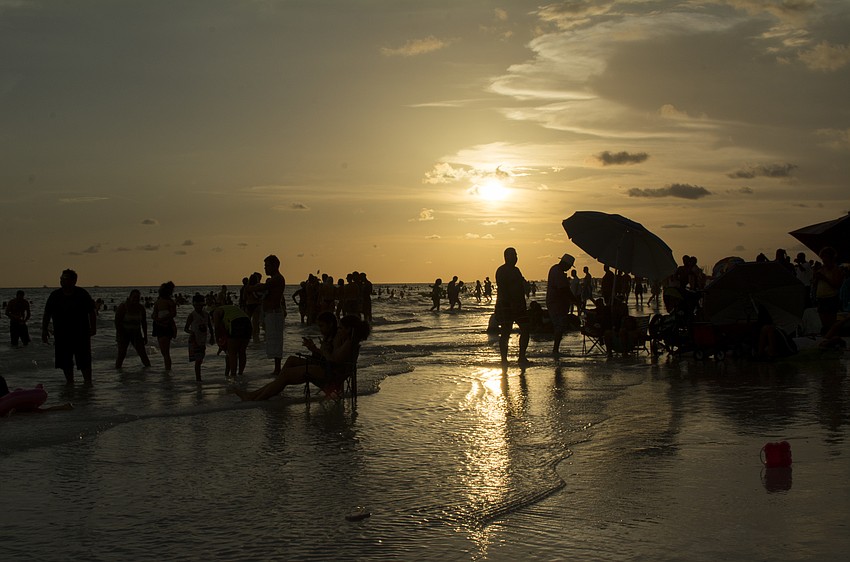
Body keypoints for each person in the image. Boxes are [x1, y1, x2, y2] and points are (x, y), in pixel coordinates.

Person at [232, 315, 370, 401]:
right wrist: (316, 349)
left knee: (285, 374)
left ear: (349, 329)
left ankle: (256, 398)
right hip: (328, 369)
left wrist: (321, 350)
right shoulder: (347, 340)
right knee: (291, 360)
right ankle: (261, 393)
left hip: (331, 375)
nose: (339, 331)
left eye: (341, 328)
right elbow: (331, 358)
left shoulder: (348, 343)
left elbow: (333, 360)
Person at [41, 269, 97, 384]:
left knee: (84, 360)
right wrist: (44, 329)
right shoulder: (55, 295)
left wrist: (93, 328)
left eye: (65, 279)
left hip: (81, 333)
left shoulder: (82, 294)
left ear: (74, 281)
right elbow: (47, 313)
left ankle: (88, 382)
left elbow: (91, 311)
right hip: (62, 334)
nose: (62, 281)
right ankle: (70, 382)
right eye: (61, 279)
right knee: (65, 361)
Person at [249, 255, 286, 375]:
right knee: (272, 340)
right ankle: (276, 368)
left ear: (274, 266)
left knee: (276, 340)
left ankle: (277, 369)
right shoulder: (273, 279)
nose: (265, 268)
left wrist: (251, 287)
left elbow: (263, 287)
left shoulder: (278, 279)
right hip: (271, 313)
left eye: (267, 266)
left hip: (275, 313)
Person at [495, 247, 530, 369]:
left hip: (519, 304)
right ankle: (504, 359)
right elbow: (503, 288)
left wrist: (526, 287)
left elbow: (521, 284)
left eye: (516, 255)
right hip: (506, 304)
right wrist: (511, 303)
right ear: (506, 257)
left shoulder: (516, 270)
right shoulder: (502, 270)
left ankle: (522, 357)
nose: (515, 257)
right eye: (513, 255)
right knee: (506, 331)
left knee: (526, 328)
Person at [547, 253, 581, 356]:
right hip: (556, 303)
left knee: (559, 326)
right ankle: (555, 349)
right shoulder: (558, 272)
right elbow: (564, 290)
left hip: (556, 302)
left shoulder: (555, 269)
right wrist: (575, 301)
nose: (569, 268)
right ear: (565, 264)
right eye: (570, 266)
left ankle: (556, 349)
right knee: (559, 326)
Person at [114, 289, 152, 369]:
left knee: (143, 354)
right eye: (134, 297)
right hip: (123, 333)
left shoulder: (141, 308)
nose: (136, 299)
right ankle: (118, 371)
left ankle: (149, 371)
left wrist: (145, 336)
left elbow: (144, 323)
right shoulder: (123, 307)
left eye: (137, 298)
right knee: (121, 354)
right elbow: (117, 322)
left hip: (136, 333)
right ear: (130, 297)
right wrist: (121, 335)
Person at [1, 376, 73, 416]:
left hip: (8, 404)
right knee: (39, 410)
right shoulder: (1, 379)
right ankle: (63, 407)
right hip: (14, 402)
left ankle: (11, 413)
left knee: (37, 411)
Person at [213, 304, 251, 377]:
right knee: (242, 351)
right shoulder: (229, 309)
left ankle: (233, 375)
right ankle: (240, 374)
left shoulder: (216, 311)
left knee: (232, 353)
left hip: (235, 323)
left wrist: (218, 341)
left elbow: (217, 327)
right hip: (247, 321)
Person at [185, 294, 214, 381]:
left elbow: (210, 327)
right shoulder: (192, 315)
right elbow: (186, 328)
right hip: (194, 340)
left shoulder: (206, 314)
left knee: (201, 359)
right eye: (197, 305)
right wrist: (191, 332)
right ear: (194, 305)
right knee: (198, 361)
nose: (199, 307)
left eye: (200, 305)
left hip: (202, 340)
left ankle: (199, 379)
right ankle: (198, 380)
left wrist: (212, 337)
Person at [151, 281, 177, 370]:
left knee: (165, 352)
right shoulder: (158, 302)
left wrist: (162, 319)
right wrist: (156, 319)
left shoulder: (169, 302)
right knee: (164, 351)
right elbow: (154, 314)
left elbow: (173, 313)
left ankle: (167, 369)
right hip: (159, 325)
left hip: (166, 325)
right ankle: (167, 369)